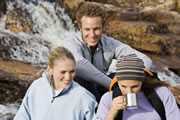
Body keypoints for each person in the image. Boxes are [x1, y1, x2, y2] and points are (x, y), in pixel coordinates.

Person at [63, 2, 152, 102]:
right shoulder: (70, 42)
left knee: (142, 79)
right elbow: (78, 64)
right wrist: (112, 84)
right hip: (75, 91)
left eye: (96, 29)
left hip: (99, 87)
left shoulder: (109, 43)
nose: (92, 34)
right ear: (80, 28)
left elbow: (145, 60)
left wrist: (129, 78)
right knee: (80, 78)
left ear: (103, 27)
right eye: (87, 29)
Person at [14, 47, 97, 120]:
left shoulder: (84, 97)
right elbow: (22, 116)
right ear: (50, 70)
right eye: (63, 72)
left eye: (72, 71)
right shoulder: (37, 86)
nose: (68, 77)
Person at [96, 54, 180, 120]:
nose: (129, 92)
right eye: (124, 86)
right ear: (118, 83)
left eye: (134, 86)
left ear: (142, 81)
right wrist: (113, 111)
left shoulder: (161, 93)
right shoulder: (108, 99)